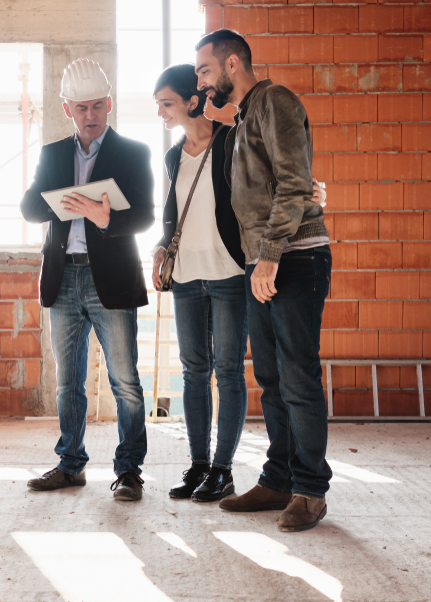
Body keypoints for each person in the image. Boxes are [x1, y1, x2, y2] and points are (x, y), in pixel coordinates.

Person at [195, 30, 334, 532]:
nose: (201, 82)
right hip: (265, 262)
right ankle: (279, 479)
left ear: (232, 63)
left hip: (294, 258)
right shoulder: (244, 118)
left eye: (205, 70)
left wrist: (270, 257)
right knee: (272, 379)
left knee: (297, 377)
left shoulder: (275, 101)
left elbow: (295, 183)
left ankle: (311, 491)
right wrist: (260, 260)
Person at [19, 58, 155, 501]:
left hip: (109, 279)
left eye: (97, 105)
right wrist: (63, 202)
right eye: (81, 108)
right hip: (63, 278)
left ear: (109, 104)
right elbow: (29, 208)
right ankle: (70, 464)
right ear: (67, 110)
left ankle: (129, 470)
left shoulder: (133, 153)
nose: (90, 115)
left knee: (125, 382)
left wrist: (104, 217)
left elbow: (145, 216)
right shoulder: (53, 154)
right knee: (67, 383)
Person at [151, 64, 247, 503]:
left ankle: (223, 470)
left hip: (229, 274)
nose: (161, 113)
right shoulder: (172, 157)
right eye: (157, 105)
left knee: (227, 371)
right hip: (187, 277)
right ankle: (199, 465)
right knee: (193, 372)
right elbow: (172, 214)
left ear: (193, 101)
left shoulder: (231, 142)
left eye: (167, 104)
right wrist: (160, 247)